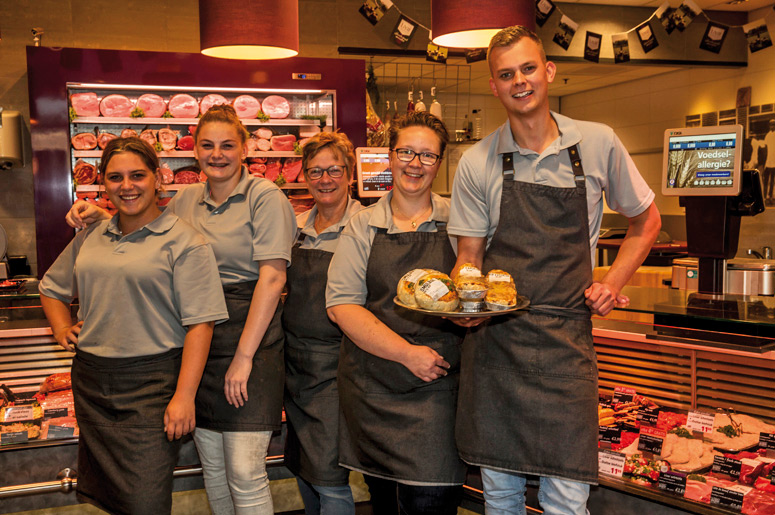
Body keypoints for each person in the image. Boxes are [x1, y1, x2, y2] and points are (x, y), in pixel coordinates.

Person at [448, 26, 661, 514]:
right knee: (500, 498)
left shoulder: (598, 142)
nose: (519, 81)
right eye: (507, 74)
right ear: (494, 86)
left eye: (528, 69)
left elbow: (647, 221)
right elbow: (469, 258)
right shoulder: (476, 161)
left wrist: (611, 282)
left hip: (567, 347)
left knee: (567, 499)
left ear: (548, 71)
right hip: (496, 347)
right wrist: (464, 304)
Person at [66, 105, 297, 514]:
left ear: (244, 149)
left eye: (227, 145)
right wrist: (102, 216)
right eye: (207, 145)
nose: (217, 154)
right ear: (196, 150)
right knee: (214, 470)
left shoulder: (266, 196)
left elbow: (273, 279)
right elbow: (148, 228)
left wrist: (243, 358)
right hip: (196, 344)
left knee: (245, 473)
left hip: (250, 337)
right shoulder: (187, 198)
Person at [41, 137, 228, 514]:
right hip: (92, 383)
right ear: (104, 183)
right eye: (115, 177)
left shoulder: (186, 241)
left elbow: (201, 325)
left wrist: (184, 396)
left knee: (145, 501)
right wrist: (61, 329)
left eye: (137, 175)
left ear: (158, 178)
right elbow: (52, 288)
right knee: (107, 498)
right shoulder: (92, 234)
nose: (127, 186)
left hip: (152, 386)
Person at [326, 111, 466, 515]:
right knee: (385, 504)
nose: (415, 164)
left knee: (432, 500)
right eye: (406, 152)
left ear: (439, 163)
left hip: (441, 387)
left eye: (427, 155)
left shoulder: (461, 222)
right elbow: (341, 306)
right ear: (390, 157)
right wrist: (406, 353)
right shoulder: (363, 226)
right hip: (374, 387)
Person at [282, 131, 364, 514]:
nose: (325, 179)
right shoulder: (294, 227)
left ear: (350, 174)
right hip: (295, 365)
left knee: (329, 475)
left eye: (334, 170)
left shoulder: (365, 225)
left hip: (340, 365)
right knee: (302, 466)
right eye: (315, 171)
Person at [763, 119, 775, 204]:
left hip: (774, 161)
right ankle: (764, 196)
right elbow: (765, 148)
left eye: (773, 124)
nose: (772, 126)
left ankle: (770, 196)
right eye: (771, 125)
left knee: (772, 180)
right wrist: (764, 160)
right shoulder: (767, 135)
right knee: (766, 179)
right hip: (768, 161)